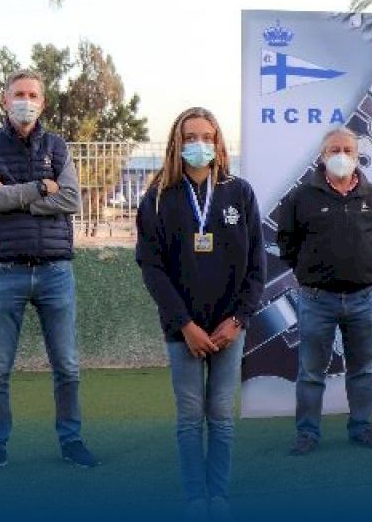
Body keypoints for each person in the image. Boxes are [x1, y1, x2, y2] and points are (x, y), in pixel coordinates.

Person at [135, 107, 264, 520]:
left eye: (207, 137)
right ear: (177, 143)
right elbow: (151, 267)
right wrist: (185, 324)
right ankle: (195, 497)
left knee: (221, 416)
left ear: (218, 142)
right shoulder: (158, 197)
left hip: (230, 327)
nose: (199, 144)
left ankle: (218, 495)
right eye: (190, 137)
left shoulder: (239, 193)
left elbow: (257, 266)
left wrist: (238, 320)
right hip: (182, 331)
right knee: (190, 418)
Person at [0, 69, 98, 476]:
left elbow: (72, 199)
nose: (26, 101)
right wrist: (42, 187)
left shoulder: (57, 146)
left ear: (42, 103)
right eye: (19, 94)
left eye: (33, 95)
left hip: (55, 272)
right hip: (4, 272)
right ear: (5, 100)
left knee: (67, 366)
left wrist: (12, 194)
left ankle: (71, 441)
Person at [278, 128, 372, 455]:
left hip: (363, 299)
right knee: (311, 372)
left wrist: (360, 268)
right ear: (322, 155)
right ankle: (307, 434)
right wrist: (309, 271)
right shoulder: (301, 197)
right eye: (334, 150)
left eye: (347, 150)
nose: (341, 156)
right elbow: (286, 242)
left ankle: (361, 428)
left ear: (357, 155)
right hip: (317, 300)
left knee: (362, 370)